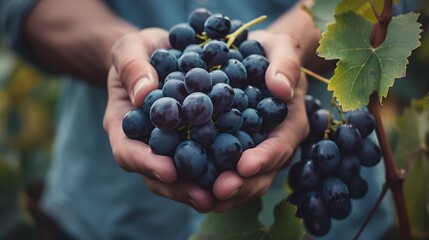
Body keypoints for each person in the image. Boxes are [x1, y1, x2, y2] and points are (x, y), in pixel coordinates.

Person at [0, 0, 397, 239]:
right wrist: (116, 53)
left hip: (325, 217)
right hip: (107, 217)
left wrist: (292, 45)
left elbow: (388, 5)